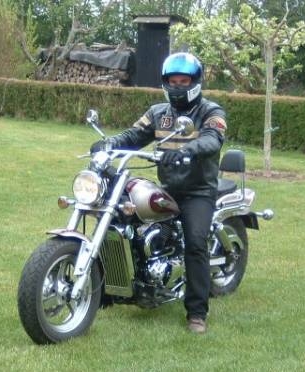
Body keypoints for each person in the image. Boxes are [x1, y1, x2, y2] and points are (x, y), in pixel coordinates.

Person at [90, 52, 227, 334]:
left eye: (183, 81)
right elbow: (133, 135)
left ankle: (197, 312)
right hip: (168, 187)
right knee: (120, 220)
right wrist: (109, 144)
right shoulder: (158, 113)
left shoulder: (211, 111)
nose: (177, 87)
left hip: (198, 191)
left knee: (196, 242)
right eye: (173, 82)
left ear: (195, 82)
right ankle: (108, 290)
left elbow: (212, 140)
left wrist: (188, 149)